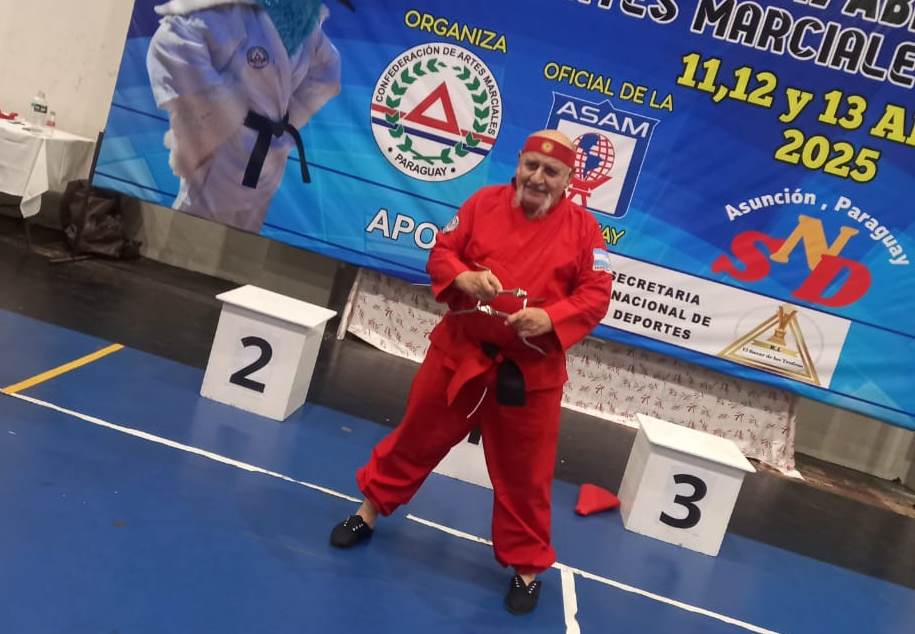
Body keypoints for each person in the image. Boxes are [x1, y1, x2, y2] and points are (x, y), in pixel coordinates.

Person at [330, 130, 614, 615]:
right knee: (414, 438)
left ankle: (527, 567)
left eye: (551, 171)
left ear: (569, 179)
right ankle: (369, 511)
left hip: (528, 374)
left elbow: (595, 294)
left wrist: (550, 318)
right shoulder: (482, 204)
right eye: (531, 165)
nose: (537, 178)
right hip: (459, 354)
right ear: (518, 163)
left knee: (527, 475)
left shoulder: (585, 231)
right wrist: (463, 276)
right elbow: (442, 252)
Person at [146, 0, 347, 233]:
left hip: (268, 156)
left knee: (245, 235)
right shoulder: (235, 13)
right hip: (224, 153)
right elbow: (171, 41)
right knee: (192, 228)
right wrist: (217, 112)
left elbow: (328, 74)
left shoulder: (307, 28)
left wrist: (287, 122)